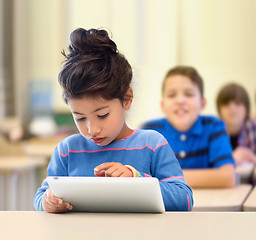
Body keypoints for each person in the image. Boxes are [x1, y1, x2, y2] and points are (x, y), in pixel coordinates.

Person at [33, 28, 193, 213]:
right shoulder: (67, 151)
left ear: (126, 99)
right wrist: (47, 203)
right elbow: (41, 196)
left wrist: (137, 180)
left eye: (102, 115)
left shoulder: (152, 145)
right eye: (80, 118)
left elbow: (184, 199)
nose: (92, 129)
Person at [142, 66, 236, 188]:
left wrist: (164, 177)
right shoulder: (150, 131)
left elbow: (227, 177)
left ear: (202, 103)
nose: (180, 100)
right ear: (163, 105)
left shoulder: (213, 127)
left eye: (189, 94)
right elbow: (139, 178)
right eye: (172, 95)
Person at [216, 83, 256, 165]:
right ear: (219, 109)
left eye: (238, 103)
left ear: (246, 108)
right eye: (226, 104)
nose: (232, 109)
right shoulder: (214, 130)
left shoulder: (253, 128)